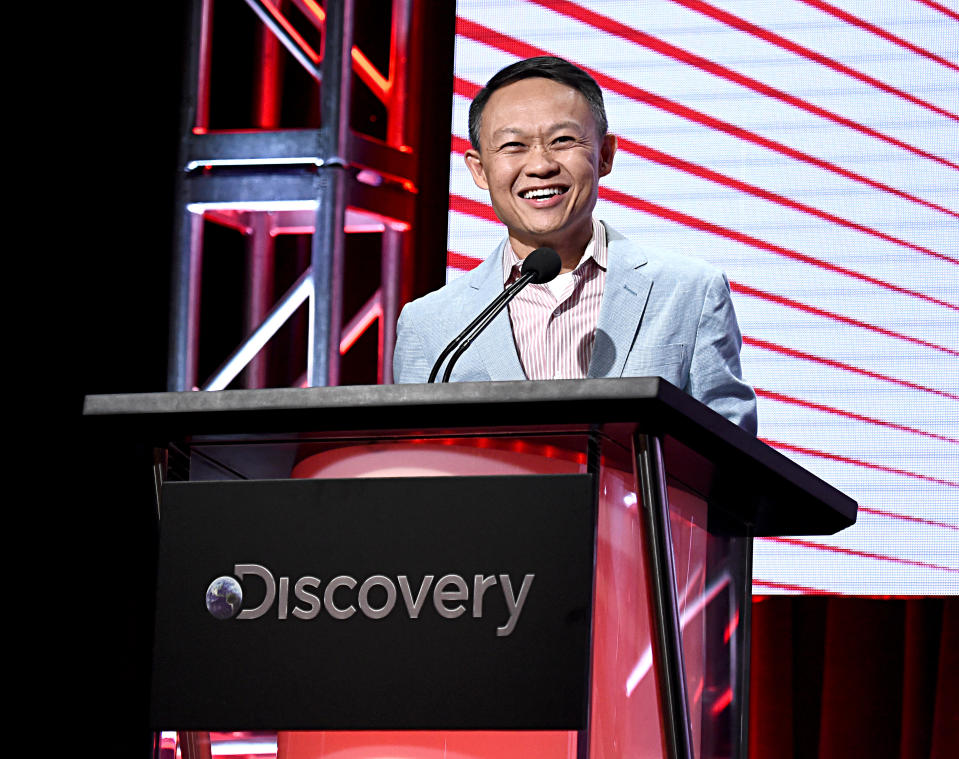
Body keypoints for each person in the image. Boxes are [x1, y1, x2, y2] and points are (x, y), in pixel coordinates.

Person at [393, 56, 757, 433]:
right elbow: (417, 467)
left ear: (604, 155)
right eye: (514, 145)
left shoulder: (690, 293)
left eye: (562, 140)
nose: (540, 165)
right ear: (479, 170)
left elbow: (728, 464)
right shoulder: (430, 324)